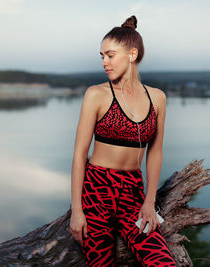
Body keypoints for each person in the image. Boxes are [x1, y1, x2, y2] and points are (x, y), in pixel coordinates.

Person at [70, 15, 177, 267]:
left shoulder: (157, 98)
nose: (104, 62)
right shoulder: (96, 95)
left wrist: (150, 202)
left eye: (110, 55)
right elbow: (79, 154)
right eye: (102, 56)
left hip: (133, 192)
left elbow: (155, 152)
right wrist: (77, 210)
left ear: (132, 54)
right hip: (96, 190)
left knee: (163, 263)